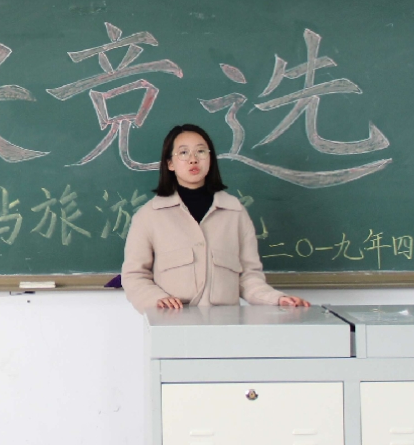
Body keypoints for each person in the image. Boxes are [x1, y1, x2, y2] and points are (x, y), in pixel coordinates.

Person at [122, 123, 309, 312]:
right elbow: (134, 275)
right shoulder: (149, 216)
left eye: (201, 151)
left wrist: (277, 299)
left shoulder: (235, 212)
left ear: (210, 159)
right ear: (170, 163)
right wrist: (157, 300)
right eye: (184, 153)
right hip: (172, 323)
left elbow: (248, 277)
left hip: (226, 324)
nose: (193, 160)